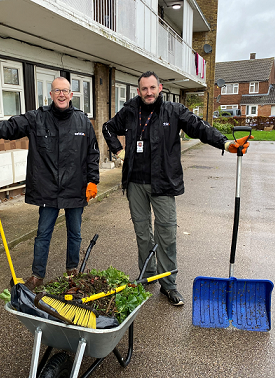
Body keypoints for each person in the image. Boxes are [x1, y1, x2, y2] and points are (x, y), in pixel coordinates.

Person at [102, 71, 252, 306]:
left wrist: (225, 142)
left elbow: (199, 127)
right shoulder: (130, 110)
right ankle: (148, 274)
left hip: (163, 183)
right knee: (142, 232)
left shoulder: (173, 111)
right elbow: (108, 128)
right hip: (135, 183)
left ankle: (168, 284)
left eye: (152, 88)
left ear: (160, 88)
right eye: (144, 89)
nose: (148, 92)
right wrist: (119, 152)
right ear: (138, 90)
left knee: (167, 233)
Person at [0, 77, 100, 290]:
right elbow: (9, 127)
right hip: (48, 188)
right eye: (57, 91)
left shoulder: (83, 122)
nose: (62, 95)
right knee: (43, 234)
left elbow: (92, 153)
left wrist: (93, 180)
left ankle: (72, 272)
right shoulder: (37, 118)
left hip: (75, 187)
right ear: (51, 94)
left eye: (65, 91)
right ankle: (37, 276)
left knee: (75, 233)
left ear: (71, 95)